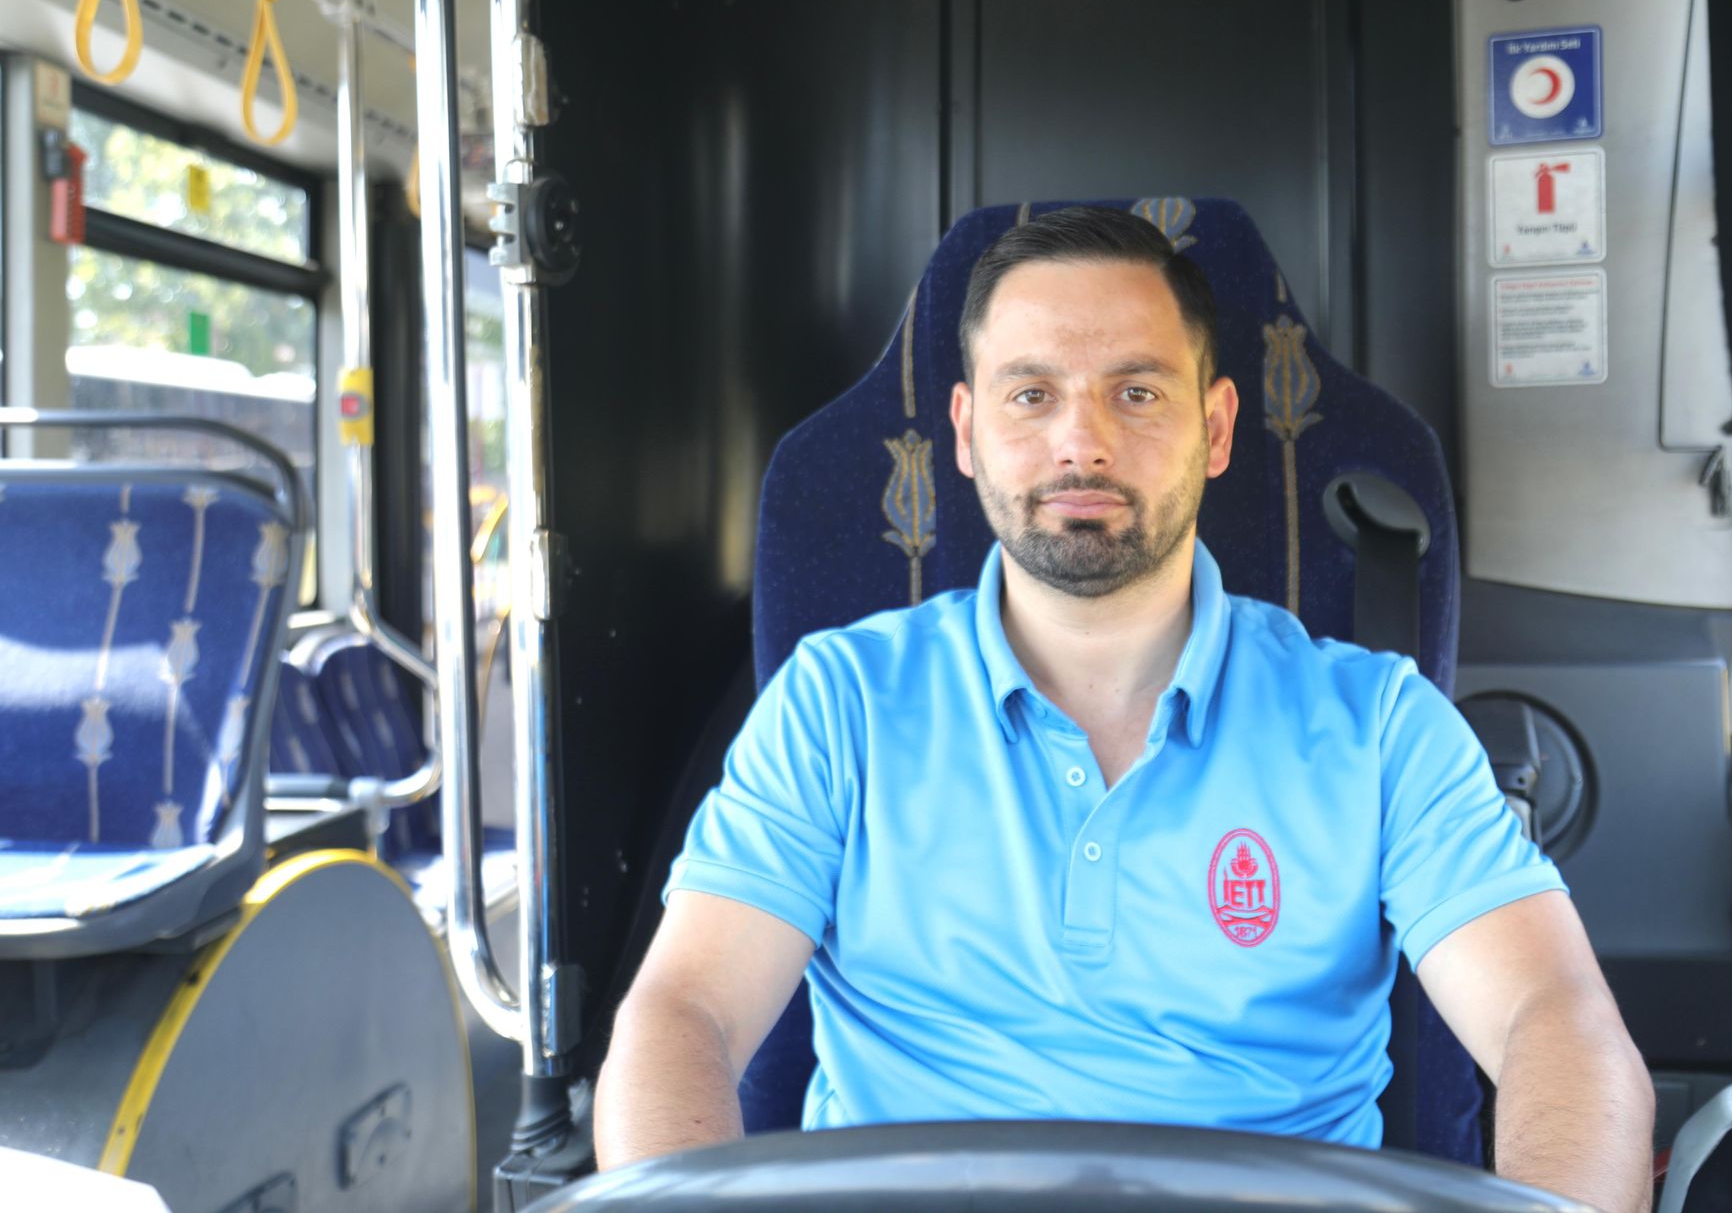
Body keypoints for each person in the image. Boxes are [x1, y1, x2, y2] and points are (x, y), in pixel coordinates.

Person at [594, 206, 1654, 1211]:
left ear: (1216, 426)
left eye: (1136, 392)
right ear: (964, 431)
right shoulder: (836, 703)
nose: (1081, 443)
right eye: (1030, 394)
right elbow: (684, 1014)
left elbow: (1553, 1018)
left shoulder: (1380, 724)